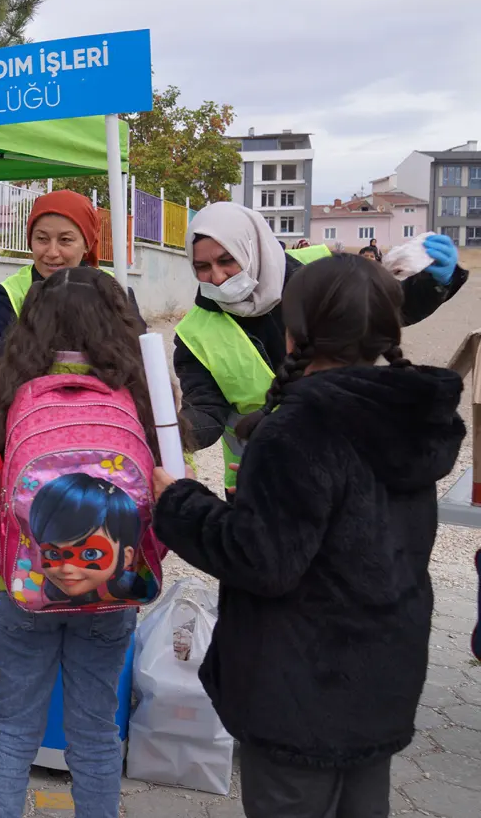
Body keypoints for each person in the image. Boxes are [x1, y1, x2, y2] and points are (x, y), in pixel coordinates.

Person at [152, 254, 465, 818]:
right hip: (384, 673)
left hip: (300, 685)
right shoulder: (410, 416)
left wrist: (179, 502)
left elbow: (261, 558)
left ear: (293, 333)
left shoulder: (299, 429)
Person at [0, 267, 157, 818]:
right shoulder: (139, 396)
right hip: (112, 589)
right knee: (95, 732)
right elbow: (170, 481)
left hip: (24, 586)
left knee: (12, 727)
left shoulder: (11, 394)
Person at [174, 202, 466, 494]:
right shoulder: (193, 333)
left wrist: (432, 283)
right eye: (202, 267)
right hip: (258, 474)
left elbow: (386, 309)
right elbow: (205, 409)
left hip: (340, 457)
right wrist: (169, 432)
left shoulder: (318, 271)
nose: (218, 277)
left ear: (252, 247)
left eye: (227, 260)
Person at [0, 190, 143, 378]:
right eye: (42, 239)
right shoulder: (11, 292)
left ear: (87, 244)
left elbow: (138, 351)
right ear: (30, 241)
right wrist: (42, 362)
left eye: (65, 240)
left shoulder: (111, 289)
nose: (52, 252)